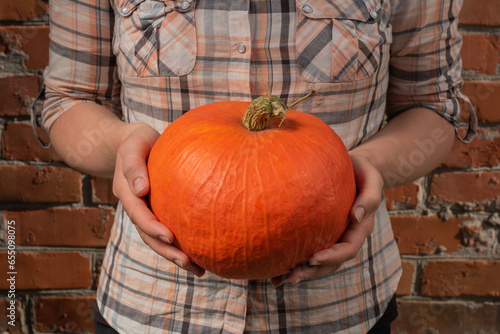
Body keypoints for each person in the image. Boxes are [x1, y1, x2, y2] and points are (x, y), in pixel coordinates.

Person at [33, 0, 477, 332]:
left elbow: (434, 108)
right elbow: (68, 101)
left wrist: (360, 167)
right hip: (150, 308)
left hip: (341, 311)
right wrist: (124, 144)